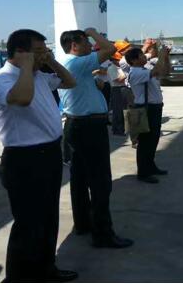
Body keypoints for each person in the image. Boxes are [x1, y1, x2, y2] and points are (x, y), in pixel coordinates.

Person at [0, 29, 78, 283]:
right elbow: (23, 99)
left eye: (45, 50)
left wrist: (51, 62)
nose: (43, 55)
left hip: (49, 154)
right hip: (24, 160)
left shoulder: (39, 76)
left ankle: (46, 269)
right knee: (28, 225)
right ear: (20, 52)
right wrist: (27, 66)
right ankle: (19, 278)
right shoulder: (0, 79)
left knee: (48, 218)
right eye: (38, 51)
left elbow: (70, 82)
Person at [59, 28, 133, 249]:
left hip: (78, 124)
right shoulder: (76, 62)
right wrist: (93, 32)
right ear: (74, 45)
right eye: (86, 42)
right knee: (100, 182)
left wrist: (96, 84)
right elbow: (110, 48)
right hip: (89, 127)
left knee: (80, 179)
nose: (91, 46)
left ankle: (83, 224)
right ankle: (103, 234)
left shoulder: (69, 64)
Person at [125, 46, 170, 184]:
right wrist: (161, 55)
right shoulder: (136, 72)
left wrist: (166, 57)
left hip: (154, 108)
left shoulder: (145, 70)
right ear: (134, 60)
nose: (145, 57)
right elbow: (157, 70)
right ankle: (143, 172)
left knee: (153, 140)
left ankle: (150, 166)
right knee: (145, 142)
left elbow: (164, 72)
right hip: (145, 109)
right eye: (141, 55)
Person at [107, 52, 130, 135]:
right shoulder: (111, 68)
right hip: (117, 89)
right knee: (118, 110)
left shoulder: (119, 67)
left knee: (123, 109)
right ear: (113, 60)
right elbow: (117, 80)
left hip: (122, 88)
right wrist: (126, 75)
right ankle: (118, 129)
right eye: (117, 60)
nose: (118, 61)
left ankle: (120, 128)